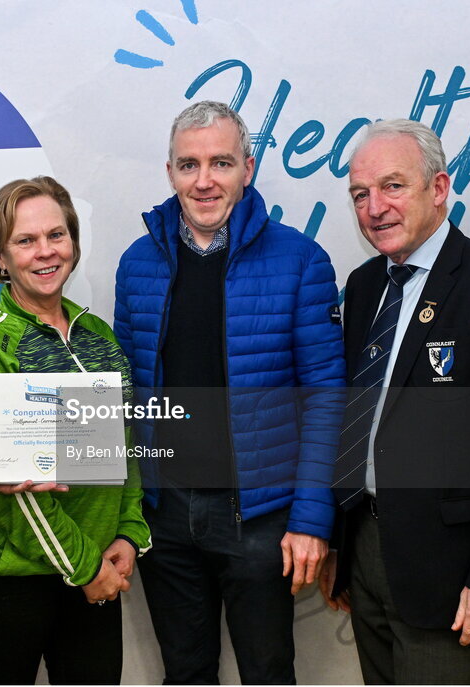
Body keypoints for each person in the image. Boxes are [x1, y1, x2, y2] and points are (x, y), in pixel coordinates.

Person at [113, 100, 347, 684]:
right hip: (165, 516)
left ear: (247, 167)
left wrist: (313, 518)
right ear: (169, 172)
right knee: (184, 671)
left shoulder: (300, 260)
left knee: (268, 671)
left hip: (260, 519)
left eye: (220, 163)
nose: (204, 180)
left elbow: (326, 398)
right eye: (188, 165)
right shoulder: (137, 262)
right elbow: (124, 393)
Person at [320, 119, 470, 684]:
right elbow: (357, 423)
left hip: (455, 573)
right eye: (360, 194)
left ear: (439, 188)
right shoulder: (362, 288)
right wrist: (341, 546)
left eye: (392, 186)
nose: (375, 207)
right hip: (367, 554)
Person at [0, 176, 152, 685]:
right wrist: (86, 567)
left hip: (95, 569)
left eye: (56, 235)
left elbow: (124, 444)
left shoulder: (98, 334)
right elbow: (11, 489)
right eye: (25, 240)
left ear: (73, 243)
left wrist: (129, 532)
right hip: (7, 583)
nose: (45, 252)